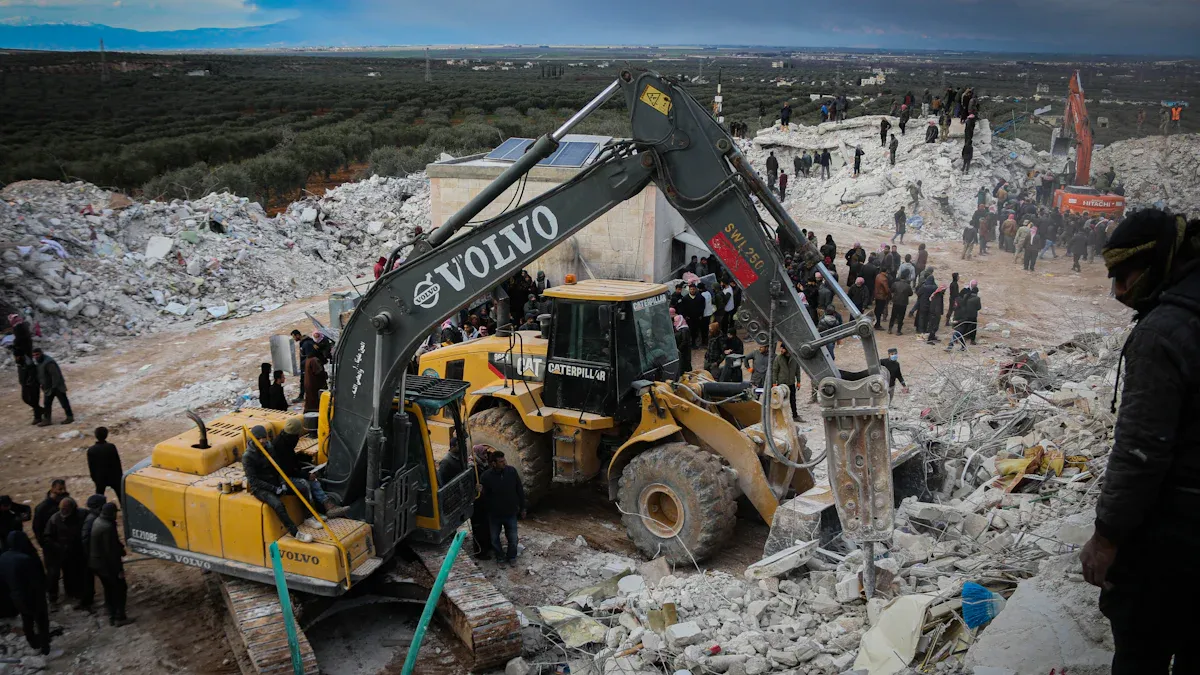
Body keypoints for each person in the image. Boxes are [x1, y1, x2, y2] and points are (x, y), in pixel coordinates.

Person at [1079, 209, 1200, 673]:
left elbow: (1141, 449)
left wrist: (1106, 537)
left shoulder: (1163, 331)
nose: (1120, 292)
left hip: (1177, 526)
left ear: (1154, 262)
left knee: (1141, 642)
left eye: (1123, 277)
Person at [243, 426, 315, 543]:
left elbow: (278, 468)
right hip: (260, 488)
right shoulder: (248, 457)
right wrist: (274, 489)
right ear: (253, 439)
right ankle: (295, 532)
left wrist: (282, 483)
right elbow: (253, 481)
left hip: (275, 481)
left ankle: (309, 516)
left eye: (263, 438)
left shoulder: (269, 447)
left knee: (302, 487)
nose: (262, 441)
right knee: (278, 505)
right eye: (258, 438)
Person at [0, 530, 51, 654]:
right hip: (32, 596)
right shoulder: (25, 559)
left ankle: (32, 642)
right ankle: (45, 648)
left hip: (15, 596)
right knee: (42, 621)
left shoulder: (3, 556)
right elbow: (36, 581)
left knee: (26, 618)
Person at [43, 497, 90, 609]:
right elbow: (47, 537)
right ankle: (55, 596)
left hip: (77, 550)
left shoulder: (82, 514)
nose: (64, 512)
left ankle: (77, 593)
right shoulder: (54, 519)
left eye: (66, 509)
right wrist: (58, 547)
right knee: (56, 574)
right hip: (60, 552)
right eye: (62, 509)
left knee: (76, 572)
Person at [88, 502, 130, 626]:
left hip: (96, 563)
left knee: (109, 589)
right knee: (120, 589)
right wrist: (119, 570)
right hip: (106, 565)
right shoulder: (108, 527)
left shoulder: (98, 521)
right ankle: (119, 617)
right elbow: (110, 552)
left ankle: (111, 615)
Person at [480, 451, 525, 564]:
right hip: (494, 515)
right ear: (494, 463)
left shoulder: (512, 471)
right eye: (501, 461)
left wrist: (523, 507)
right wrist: (481, 491)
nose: (504, 463)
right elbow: (483, 497)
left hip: (510, 513)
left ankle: (512, 557)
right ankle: (500, 557)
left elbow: (519, 489)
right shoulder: (486, 477)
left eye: (504, 460)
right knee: (495, 539)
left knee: (513, 539)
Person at [31, 348, 72, 426]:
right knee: (47, 403)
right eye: (34, 355)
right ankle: (47, 420)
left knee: (64, 402)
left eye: (37, 354)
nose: (36, 357)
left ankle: (70, 417)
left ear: (41, 353)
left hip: (57, 386)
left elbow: (55, 375)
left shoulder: (48, 362)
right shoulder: (39, 363)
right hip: (48, 387)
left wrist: (54, 387)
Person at [32, 479, 67, 556]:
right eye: (60, 489)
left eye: (64, 489)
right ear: (52, 489)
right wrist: (45, 545)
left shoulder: (67, 503)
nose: (63, 491)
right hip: (51, 546)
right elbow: (37, 528)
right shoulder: (42, 508)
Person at [87, 427, 123, 500]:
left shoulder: (91, 450)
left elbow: (91, 466)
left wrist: (94, 478)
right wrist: (120, 475)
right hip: (114, 476)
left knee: (99, 497)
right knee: (121, 496)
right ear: (106, 435)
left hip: (100, 477)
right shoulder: (111, 447)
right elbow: (117, 462)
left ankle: (99, 510)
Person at [771, 342, 803, 419]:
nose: (781, 350)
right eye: (781, 348)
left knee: (793, 400)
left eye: (783, 348)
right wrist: (774, 383)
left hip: (791, 382)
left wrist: (798, 381)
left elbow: (797, 370)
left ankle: (795, 415)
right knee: (781, 401)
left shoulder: (794, 358)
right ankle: (781, 417)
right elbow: (775, 371)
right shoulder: (778, 358)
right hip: (781, 383)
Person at [16, 354, 42, 425]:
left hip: (33, 385)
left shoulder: (29, 363)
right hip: (25, 384)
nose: (16, 358)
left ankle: (38, 418)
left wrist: (30, 382)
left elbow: (33, 375)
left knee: (34, 400)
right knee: (25, 398)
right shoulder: (20, 363)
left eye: (17, 356)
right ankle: (41, 410)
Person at [291, 330, 317, 403]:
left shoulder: (306, 343)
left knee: (307, 382)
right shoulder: (304, 342)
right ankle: (303, 396)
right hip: (304, 366)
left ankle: (307, 397)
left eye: (294, 336)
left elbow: (309, 357)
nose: (294, 338)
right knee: (303, 382)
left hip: (307, 367)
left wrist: (305, 366)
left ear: (298, 335)